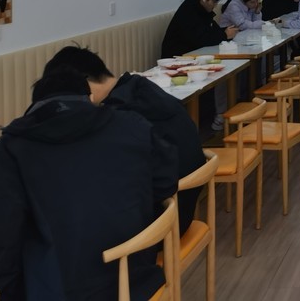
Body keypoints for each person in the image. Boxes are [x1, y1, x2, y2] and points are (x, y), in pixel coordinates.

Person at [0, 70, 178, 301]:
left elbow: (2, 235)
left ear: (34, 107)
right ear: (90, 98)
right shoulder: (132, 124)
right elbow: (165, 184)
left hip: (59, 291)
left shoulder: (10, 150)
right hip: (137, 280)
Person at [42, 45, 205, 235]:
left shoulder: (120, 117)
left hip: (157, 227)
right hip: (180, 206)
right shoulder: (141, 89)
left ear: (84, 83)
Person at [161, 0, 239, 56]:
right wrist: (224, 35)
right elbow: (200, 39)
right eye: (214, 1)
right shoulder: (189, 10)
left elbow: (212, 30)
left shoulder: (203, 9)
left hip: (192, 53)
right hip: (177, 56)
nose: (215, 5)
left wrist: (227, 31)